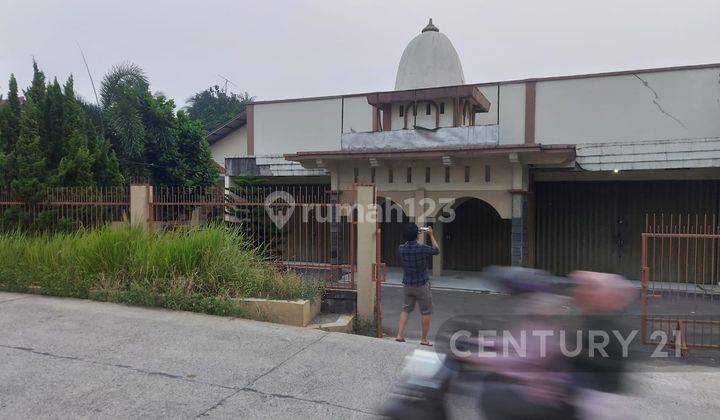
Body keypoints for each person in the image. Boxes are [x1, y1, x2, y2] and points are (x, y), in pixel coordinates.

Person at [395, 223, 440, 346]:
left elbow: (408, 242)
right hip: (422, 285)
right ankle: (424, 339)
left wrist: (414, 233)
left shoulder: (401, 248)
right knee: (426, 311)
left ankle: (400, 335)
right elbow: (437, 250)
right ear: (417, 235)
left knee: (406, 309)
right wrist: (430, 234)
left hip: (408, 284)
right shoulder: (422, 248)